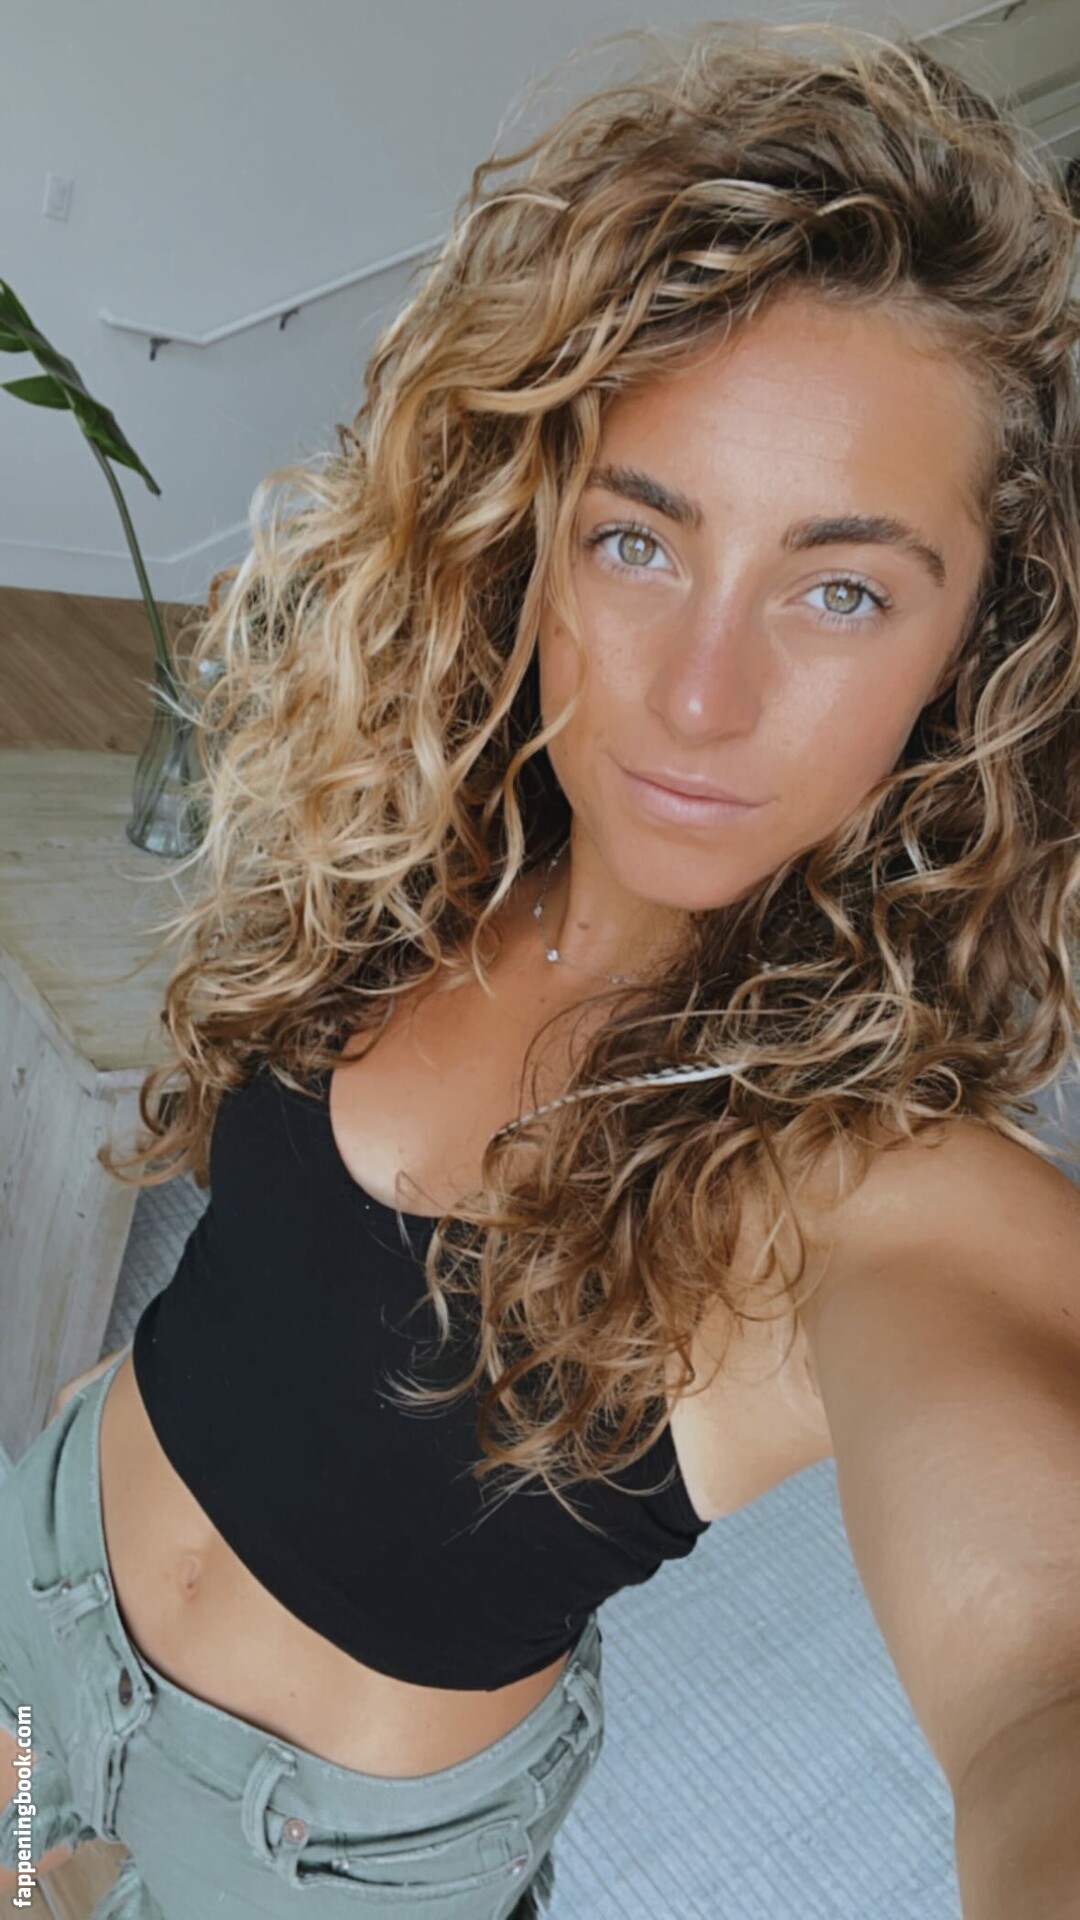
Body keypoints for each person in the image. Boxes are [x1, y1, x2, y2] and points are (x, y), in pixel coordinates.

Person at [3, 16, 1080, 1918]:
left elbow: (1037, 1690)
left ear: (976, 651)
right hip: (43, 1600)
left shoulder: (880, 1187)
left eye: (841, 588)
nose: (698, 695)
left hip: (312, 1868)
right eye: (639, 542)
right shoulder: (429, 838)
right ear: (532, 533)